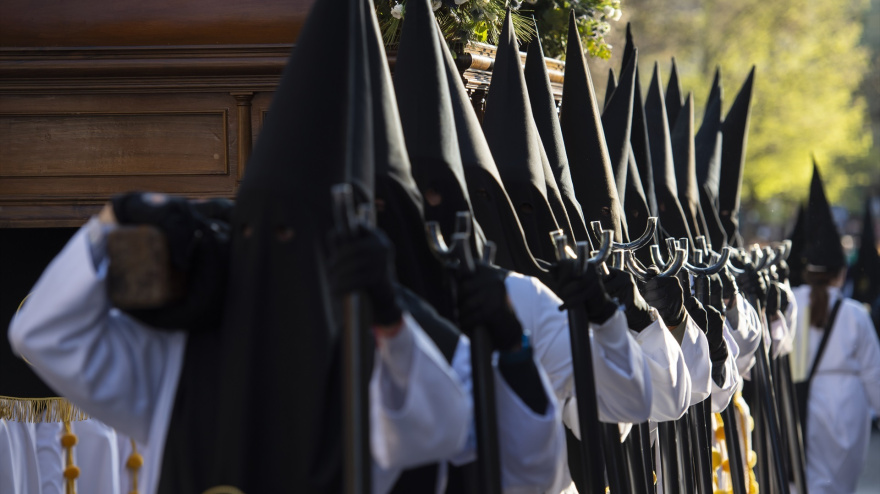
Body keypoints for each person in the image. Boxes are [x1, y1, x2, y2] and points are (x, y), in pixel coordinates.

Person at [791, 163, 880, 494]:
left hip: (800, 399)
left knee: (806, 481)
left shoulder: (788, 303)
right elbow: (873, 371)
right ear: (841, 273)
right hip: (846, 404)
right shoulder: (855, 313)